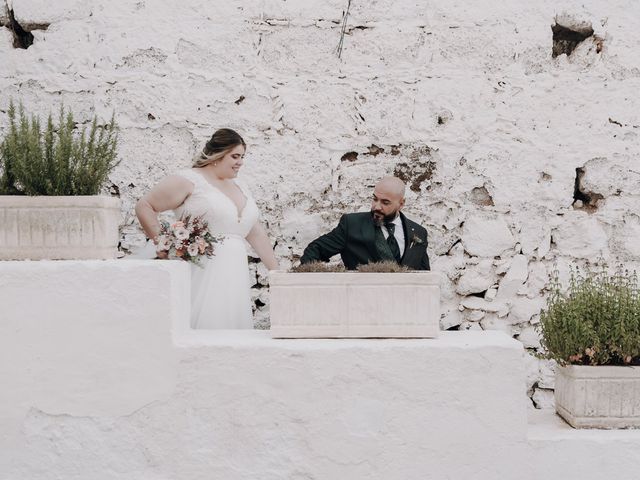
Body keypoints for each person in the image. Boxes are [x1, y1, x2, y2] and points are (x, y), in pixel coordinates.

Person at [135, 128, 279, 329]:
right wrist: (162, 243)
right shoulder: (188, 180)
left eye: (242, 157)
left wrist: (277, 272)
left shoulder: (240, 187)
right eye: (235, 156)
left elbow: (253, 231)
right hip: (203, 270)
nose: (240, 162)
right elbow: (145, 206)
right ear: (217, 156)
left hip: (234, 273)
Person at [300, 176, 430, 270]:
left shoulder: (419, 233)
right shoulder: (351, 224)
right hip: (361, 303)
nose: (376, 206)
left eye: (385, 202)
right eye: (375, 199)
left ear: (401, 204)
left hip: (403, 305)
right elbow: (315, 250)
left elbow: (425, 276)